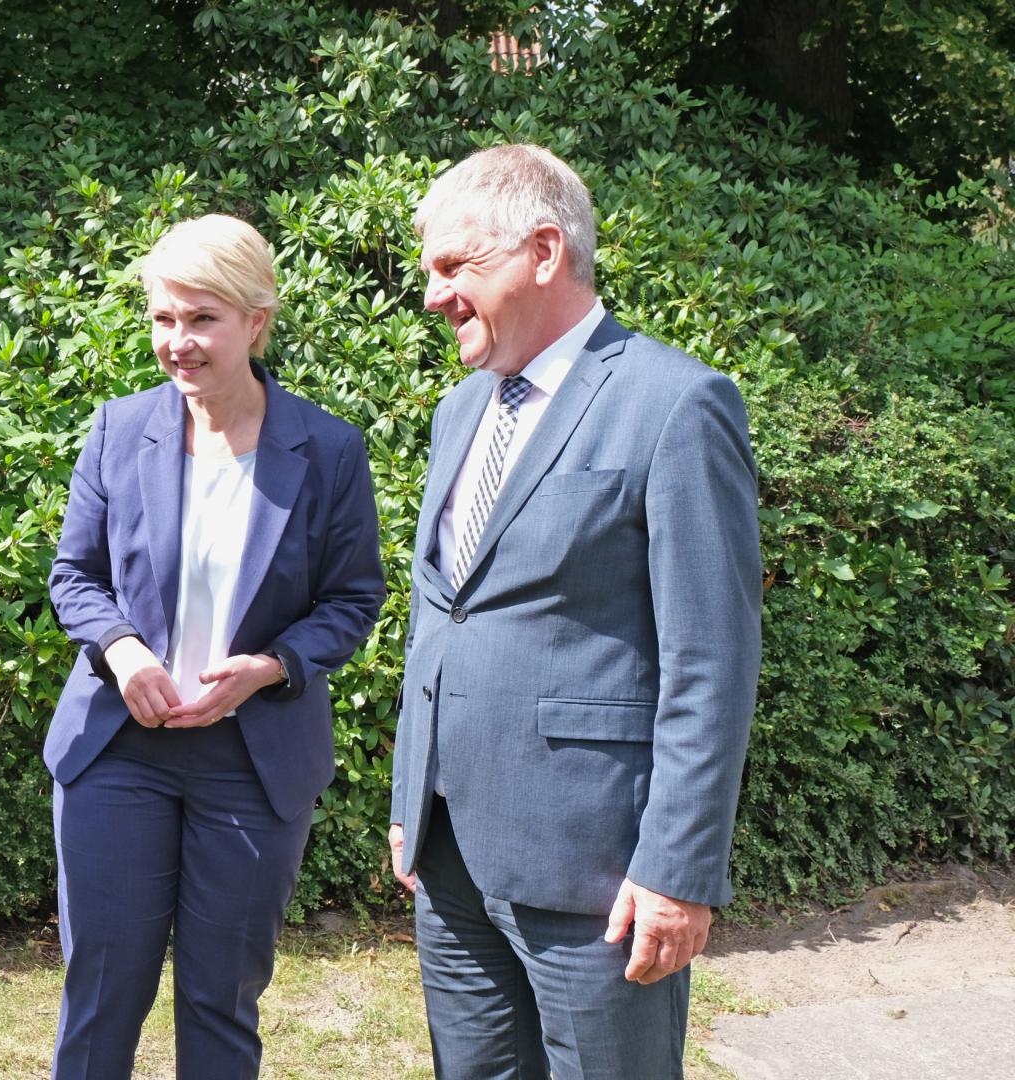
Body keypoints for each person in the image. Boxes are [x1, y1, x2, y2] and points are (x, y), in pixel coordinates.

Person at [387, 143, 762, 1078]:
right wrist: (410, 791)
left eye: (452, 267)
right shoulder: (458, 413)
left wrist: (677, 867)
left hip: (599, 871)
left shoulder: (677, 404)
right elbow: (443, 612)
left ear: (544, 252)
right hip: (451, 856)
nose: (433, 295)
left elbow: (710, 661)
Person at [43, 214, 387, 1078]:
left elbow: (353, 600)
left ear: (256, 321)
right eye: (163, 318)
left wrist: (272, 667)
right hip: (119, 752)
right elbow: (74, 578)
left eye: (201, 319)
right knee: (101, 994)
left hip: (253, 760)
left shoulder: (330, 449)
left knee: (221, 998)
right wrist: (123, 651)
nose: (177, 341)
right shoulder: (119, 429)